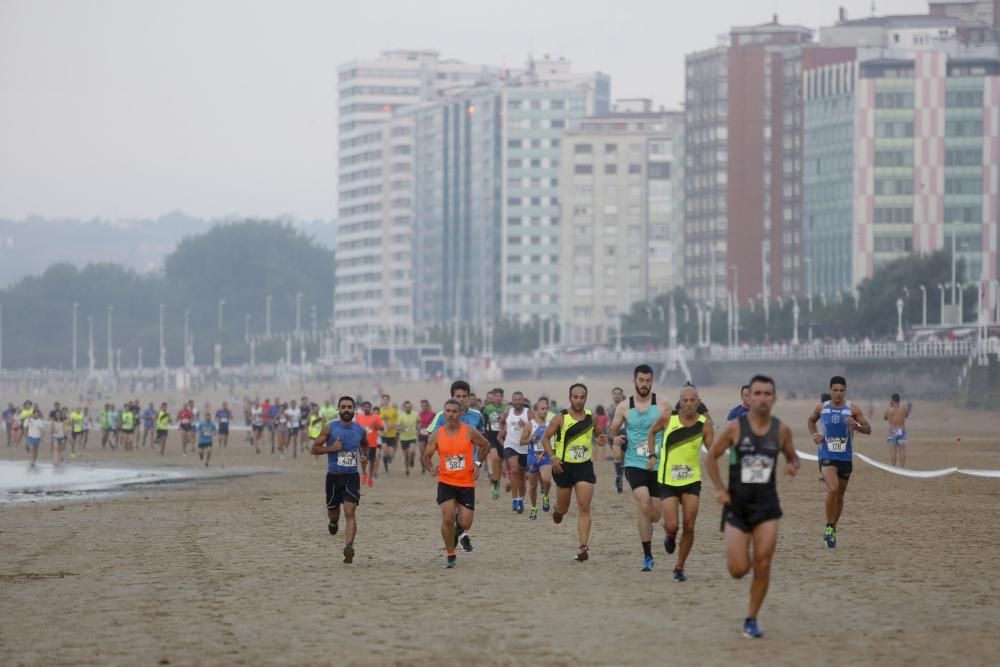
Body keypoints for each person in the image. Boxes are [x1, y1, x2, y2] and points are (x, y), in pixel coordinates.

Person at [705, 374, 800, 639]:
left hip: (767, 507)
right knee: (738, 570)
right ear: (749, 397)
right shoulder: (735, 428)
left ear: (774, 398)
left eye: (767, 394)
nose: (762, 398)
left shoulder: (781, 431)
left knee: (763, 562)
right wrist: (720, 489)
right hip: (737, 506)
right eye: (757, 393)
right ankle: (745, 573)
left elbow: (793, 456)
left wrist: (793, 465)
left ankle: (751, 618)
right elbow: (711, 458)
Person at [648, 385, 713, 582]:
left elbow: (712, 449)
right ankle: (669, 536)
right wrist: (652, 455)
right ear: (680, 403)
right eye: (685, 401)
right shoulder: (669, 419)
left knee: (690, 525)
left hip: (692, 480)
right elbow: (651, 433)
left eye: (693, 400)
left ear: (699, 402)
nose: (689, 404)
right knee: (672, 525)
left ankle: (679, 566)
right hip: (668, 480)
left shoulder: (705, 424)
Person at [541, 383, 608, 562]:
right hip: (563, 467)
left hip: (584, 466)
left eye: (582, 397)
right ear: (570, 397)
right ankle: (557, 511)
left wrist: (601, 439)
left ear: (586, 398)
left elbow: (599, 435)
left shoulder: (591, 417)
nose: (579, 400)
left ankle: (583, 546)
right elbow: (545, 438)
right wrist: (553, 457)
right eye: (575, 397)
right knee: (563, 509)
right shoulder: (560, 418)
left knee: (584, 506)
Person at [608, 364, 663, 572]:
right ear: (634, 381)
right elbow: (612, 430)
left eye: (648, 380)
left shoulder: (662, 404)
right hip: (634, 463)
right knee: (643, 502)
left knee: (655, 514)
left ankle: (652, 526)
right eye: (641, 380)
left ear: (652, 381)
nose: (644, 384)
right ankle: (647, 555)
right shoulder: (624, 407)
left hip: (657, 463)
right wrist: (616, 437)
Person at [422, 399, 490, 568]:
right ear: (444, 413)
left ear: (460, 414)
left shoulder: (469, 431)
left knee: (466, 523)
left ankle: (458, 532)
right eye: (448, 411)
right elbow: (426, 456)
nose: (451, 414)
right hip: (446, 481)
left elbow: (485, 445)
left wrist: (478, 464)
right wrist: (431, 468)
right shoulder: (438, 434)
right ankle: (451, 555)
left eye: (454, 411)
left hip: (466, 482)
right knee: (447, 518)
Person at [808, 375, 872, 549]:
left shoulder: (852, 409)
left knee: (840, 496)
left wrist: (855, 425)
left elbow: (868, 429)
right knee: (833, 489)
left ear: (845, 391)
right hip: (826, 453)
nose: (838, 393)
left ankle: (832, 527)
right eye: (835, 390)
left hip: (845, 457)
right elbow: (811, 421)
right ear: (830, 390)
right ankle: (829, 527)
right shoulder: (823, 407)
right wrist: (815, 435)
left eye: (841, 390)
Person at [311, 396, 367, 564]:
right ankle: (333, 522)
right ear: (338, 409)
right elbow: (314, 448)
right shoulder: (330, 428)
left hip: (351, 476)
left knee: (350, 512)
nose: (346, 410)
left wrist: (364, 455)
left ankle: (349, 546)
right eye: (343, 407)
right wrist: (331, 448)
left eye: (349, 407)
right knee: (333, 513)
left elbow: (365, 445)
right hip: (334, 477)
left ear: (354, 410)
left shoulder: (360, 430)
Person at [498, 391, 531, 513]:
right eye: (515, 400)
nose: (517, 402)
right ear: (513, 401)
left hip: (524, 447)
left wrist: (526, 425)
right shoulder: (508, 413)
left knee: (522, 475)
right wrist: (502, 430)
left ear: (523, 401)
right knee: (515, 470)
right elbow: (501, 422)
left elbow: (536, 427)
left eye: (519, 400)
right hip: (510, 445)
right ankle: (514, 499)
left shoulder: (529, 413)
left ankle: (520, 499)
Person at [525, 397, 553, 520]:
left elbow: (556, 440)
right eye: (542, 409)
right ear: (536, 411)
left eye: (546, 408)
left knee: (546, 480)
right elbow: (521, 441)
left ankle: (546, 497)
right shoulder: (530, 425)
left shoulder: (550, 425)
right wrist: (529, 439)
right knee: (532, 486)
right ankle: (533, 507)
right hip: (532, 458)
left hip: (546, 458)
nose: (545, 411)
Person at [481, 389, 506, 498]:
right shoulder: (487, 409)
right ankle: (495, 482)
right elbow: (483, 421)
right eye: (495, 396)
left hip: (503, 436)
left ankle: (496, 483)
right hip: (491, 436)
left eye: (500, 396)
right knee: (495, 458)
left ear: (502, 397)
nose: (497, 398)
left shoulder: (506, 409)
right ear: (493, 397)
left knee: (500, 463)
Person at [354, 401, 385, 486]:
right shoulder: (359, 417)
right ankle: (364, 473)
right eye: (365, 407)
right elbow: (355, 428)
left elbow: (382, 428)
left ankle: (370, 477)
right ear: (363, 408)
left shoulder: (376, 417)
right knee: (363, 459)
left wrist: (377, 426)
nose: (366, 408)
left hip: (372, 444)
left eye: (368, 407)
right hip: (362, 443)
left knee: (371, 461)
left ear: (370, 408)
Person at [884, 393, 910, 468]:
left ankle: (893, 467)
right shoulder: (903, 408)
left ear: (892, 400)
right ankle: (902, 468)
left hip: (893, 430)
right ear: (899, 400)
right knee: (902, 450)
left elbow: (885, 417)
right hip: (901, 429)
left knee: (893, 450)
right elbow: (907, 415)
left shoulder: (889, 409)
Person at [608, 387, 626, 493]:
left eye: (619, 393)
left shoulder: (626, 407)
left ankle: (620, 477)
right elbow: (609, 422)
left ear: (622, 395)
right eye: (614, 393)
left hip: (625, 433)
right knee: (617, 456)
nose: (617, 395)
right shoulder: (610, 408)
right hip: (614, 433)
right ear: (612, 395)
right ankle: (619, 478)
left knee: (622, 460)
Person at [396, 400, 419, 476]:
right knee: (406, 456)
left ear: (411, 407)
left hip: (412, 437)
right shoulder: (401, 415)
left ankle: (412, 460)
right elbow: (398, 427)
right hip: (404, 438)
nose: (408, 408)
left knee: (412, 451)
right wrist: (403, 428)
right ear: (404, 407)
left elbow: (419, 422)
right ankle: (407, 469)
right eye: (406, 407)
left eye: (409, 406)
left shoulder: (415, 414)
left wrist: (418, 428)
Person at [379, 394, 399, 474]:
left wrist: (392, 426)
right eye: (383, 399)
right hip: (383, 435)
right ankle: (386, 468)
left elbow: (397, 421)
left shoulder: (393, 410)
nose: (385, 401)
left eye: (386, 399)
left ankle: (389, 457)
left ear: (388, 400)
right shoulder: (380, 410)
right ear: (382, 401)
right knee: (385, 451)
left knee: (390, 453)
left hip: (391, 434)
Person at [417, 399, 435, 474]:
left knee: (427, 453)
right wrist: (418, 428)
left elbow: (435, 423)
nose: (423, 407)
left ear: (427, 406)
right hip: (421, 435)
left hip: (429, 435)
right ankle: (423, 468)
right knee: (422, 453)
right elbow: (417, 424)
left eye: (424, 405)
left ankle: (429, 466)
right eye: (422, 406)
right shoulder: (419, 414)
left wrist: (430, 429)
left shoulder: (432, 414)